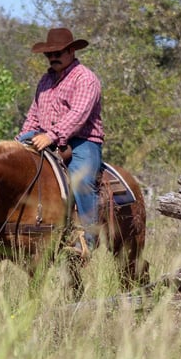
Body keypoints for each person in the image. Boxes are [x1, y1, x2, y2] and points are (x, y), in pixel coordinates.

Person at [17, 27, 104, 255]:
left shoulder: (86, 78)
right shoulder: (45, 81)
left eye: (59, 52)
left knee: (82, 180)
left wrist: (51, 136)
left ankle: (87, 240)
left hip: (82, 141)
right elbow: (33, 114)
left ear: (72, 51)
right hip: (45, 138)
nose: (53, 57)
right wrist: (18, 143)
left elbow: (79, 114)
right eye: (49, 54)